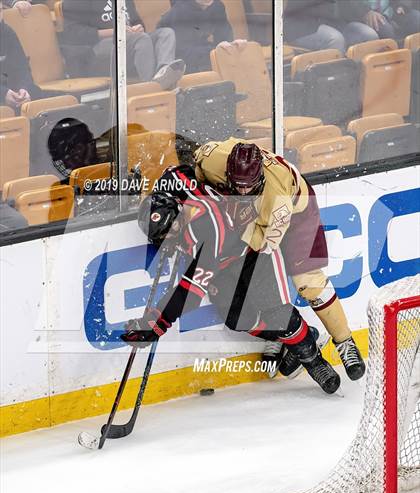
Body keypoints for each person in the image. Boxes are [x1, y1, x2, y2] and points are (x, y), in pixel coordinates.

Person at [121, 165, 341, 395]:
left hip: (254, 245)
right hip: (223, 257)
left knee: (277, 315)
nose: (171, 239)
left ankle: (314, 360)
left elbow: (190, 292)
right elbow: (179, 168)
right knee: (238, 319)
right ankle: (292, 338)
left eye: (174, 231)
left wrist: (157, 324)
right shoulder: (169, 186)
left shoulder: (208, 226)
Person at [193, 139, 366, 381]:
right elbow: (197, 166)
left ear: (260, 178)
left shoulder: (278, 198)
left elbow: (265, 244)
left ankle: (345, 342)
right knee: (256, 287)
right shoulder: (214, 161)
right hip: (256, 216)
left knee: (308, 282)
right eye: (237, 185)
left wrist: (232, 222)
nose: (242, 191)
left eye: (248, 186)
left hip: (298, 211)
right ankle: (287, 334)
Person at [60, 0, 185, 89]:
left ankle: (162, 73)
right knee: (141, 39)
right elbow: (73, 33)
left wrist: (138, 27)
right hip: (96, 50)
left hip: (129, 43)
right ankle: (151, 87)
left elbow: (135, 21)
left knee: (166, 33)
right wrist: (115, 31)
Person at [157, 0, 244, 73]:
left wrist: (232, 45)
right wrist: (216, 50)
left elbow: (224, 37)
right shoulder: (180, 10)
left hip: (198, 49)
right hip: (175, 57)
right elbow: (183, 52)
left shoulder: (217, 6)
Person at [284, 0, 379, 54]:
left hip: (332, 22)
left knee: (368, 35)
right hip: (301, 25)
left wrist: (366, 11)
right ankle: (337, 85)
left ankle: (361, 82)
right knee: (335, 39)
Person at [0, 0, 43, 108]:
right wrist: (3, 93)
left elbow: (22, 68)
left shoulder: (7, 31)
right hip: (3, 92)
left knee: (36, 92)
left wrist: (24, 89)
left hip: (11, 91)